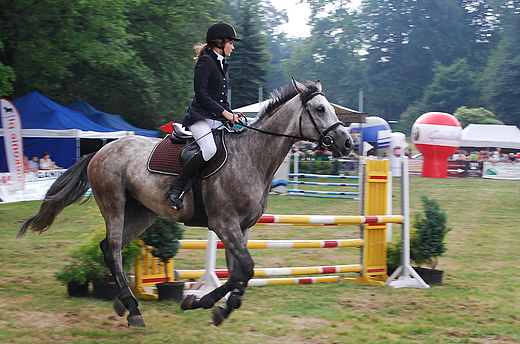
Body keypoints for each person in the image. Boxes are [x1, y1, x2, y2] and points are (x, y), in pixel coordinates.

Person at [165, 22, 241, 210]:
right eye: (231, 42)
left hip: (215, 119)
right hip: (199, 118)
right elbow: (202, 95)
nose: (233, 46)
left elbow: (221, 97)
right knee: (209, 150)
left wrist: (232, 114)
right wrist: (224, 113)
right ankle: (176, 189)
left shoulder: (222, 65)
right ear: (220, 43)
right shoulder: (206, 61)